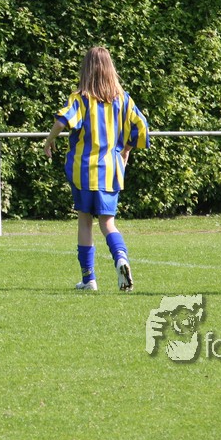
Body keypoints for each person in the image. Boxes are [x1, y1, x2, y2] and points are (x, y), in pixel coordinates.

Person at [43, 47, 149, 292]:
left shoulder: (80, 98)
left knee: (84, 221)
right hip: (111, 170)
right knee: (108, 223)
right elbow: (141, 126)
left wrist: (49, 141)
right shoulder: (123, 99)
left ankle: (88, 279)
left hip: (84, 170)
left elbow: (62, 121)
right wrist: (126, 150)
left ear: (86, 69)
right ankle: (121, 259)